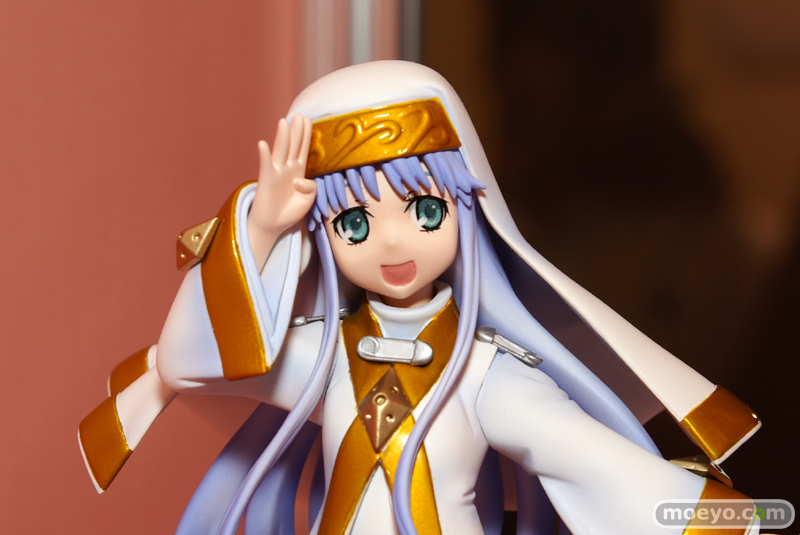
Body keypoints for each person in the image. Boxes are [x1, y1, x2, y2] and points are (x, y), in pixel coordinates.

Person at [79, 61, 760, 535]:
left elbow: (594, 462)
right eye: (354, 223)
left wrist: (728, 518)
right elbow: (185, 362)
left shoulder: (486, 375)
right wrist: (261, 226)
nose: (391, 243)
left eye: (425, 211)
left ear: (466, 206)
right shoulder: (324, 363)